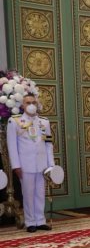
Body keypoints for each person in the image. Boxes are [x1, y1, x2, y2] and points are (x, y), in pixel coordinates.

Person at [7, 93, 54, 232]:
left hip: (41, 164)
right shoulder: (14, 121)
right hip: (25, 164)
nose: (31, 105)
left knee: (40, 193)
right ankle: (30, 222)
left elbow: (48, 144)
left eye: (33, 102)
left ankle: (40, 220)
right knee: (28, 193)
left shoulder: (44, 122)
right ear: (22, 105)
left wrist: (50, 165)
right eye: (28, 102)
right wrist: (16, 165)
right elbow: (12, 145)